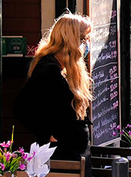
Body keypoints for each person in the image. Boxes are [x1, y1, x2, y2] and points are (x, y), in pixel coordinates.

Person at [14, 13, 92, 160]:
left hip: (75, 154)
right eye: (83, 39)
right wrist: (48, 135)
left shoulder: (65, 68)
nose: (85, 44)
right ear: (71, 40)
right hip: (63, 156)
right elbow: (21, 108)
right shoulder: (48, 70)